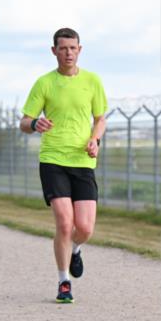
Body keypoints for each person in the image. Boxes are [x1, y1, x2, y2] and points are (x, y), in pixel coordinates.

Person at [20, 27, 108, 303]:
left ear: (79, 50)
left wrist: (95, 139)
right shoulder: (44, 83)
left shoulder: (93, 81)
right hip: (53, 160)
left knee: (84, 228)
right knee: (64, 222)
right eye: (63, 48)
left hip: (83, 160)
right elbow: (24, 123)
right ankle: (63, 282)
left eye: (73, 48)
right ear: (54, 51)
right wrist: (35, 124)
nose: (68, 53)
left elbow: (100, 119)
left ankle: (76, 249)